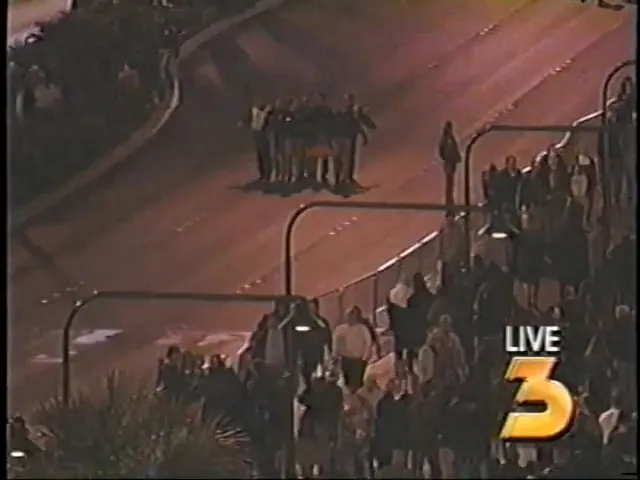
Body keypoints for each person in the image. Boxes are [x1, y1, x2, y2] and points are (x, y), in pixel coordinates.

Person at [333, 306, 375, 391]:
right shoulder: (340, 329)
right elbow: (336, 344)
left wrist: (364, 358)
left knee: (357, 384)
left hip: (358, 360)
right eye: (348, 315)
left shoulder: (362, 329)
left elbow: (368, 344)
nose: (350, 317)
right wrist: (335, 357)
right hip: (345, 359)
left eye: (352, 315)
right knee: (347, 383)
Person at [437, 120, 462, 206]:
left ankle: (451, 201)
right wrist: (447, 159)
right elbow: (441, 151)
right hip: (449, 164)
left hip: (452, 163)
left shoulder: (450, 137)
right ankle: (449, 203)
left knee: (451, 184)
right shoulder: (445, 139)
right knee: (449, 185)